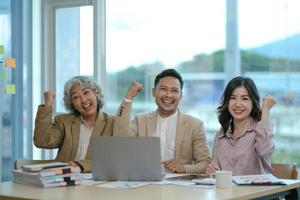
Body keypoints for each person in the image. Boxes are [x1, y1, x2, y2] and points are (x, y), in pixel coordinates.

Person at [114, 69, 211, 174]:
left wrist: (184, 168)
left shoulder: (195, 125)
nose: (168, 95)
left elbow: (205, 163)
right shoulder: (140, 120)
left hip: (179, 186)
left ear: (181, 96)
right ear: (153, 92)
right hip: (146, 184)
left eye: (174, 90)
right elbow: (119, 141)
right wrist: (128, 97)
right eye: (163, 89)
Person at [34, 76, 114, 172]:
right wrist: (48, 105)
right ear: (72, 103)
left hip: (95, 182)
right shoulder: (63, 121)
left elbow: (112, 159)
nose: (83, 100)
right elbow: (42, 141)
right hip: (63, 180)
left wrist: (80, 166)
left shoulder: (112, 123)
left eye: (86, 92)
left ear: (95, 93)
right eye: (76, 97)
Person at [205, 76, 276, 176]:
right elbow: (216, 171)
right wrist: (212, 172)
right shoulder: (220, 135)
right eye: (233, 98)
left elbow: (264, 151)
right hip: (229, 190)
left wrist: (265, 110)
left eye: (245, 98)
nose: (238, 104)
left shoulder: (260, 130)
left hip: (259, 190)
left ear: (253, 103)